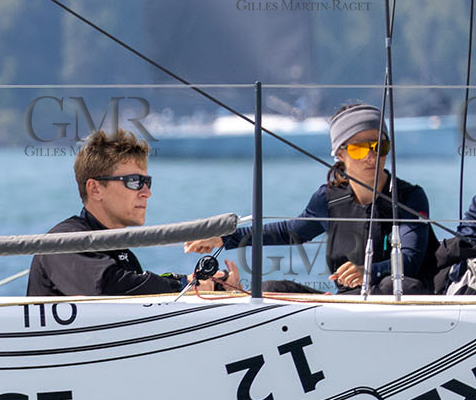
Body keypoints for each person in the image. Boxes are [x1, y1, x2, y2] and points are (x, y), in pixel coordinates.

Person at [186, 103, 432, 294]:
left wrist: (368, 271)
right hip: (349, 303)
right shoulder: (329, 198)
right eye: (359, 148)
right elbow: (290, 231)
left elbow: (409, 260)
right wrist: (224, 237)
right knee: (270, 288)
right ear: (340, 154)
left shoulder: (410, 197)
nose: (371, 157)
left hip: (402, 299)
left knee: (391, 284)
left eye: (380, 147)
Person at [28, 129, 235, 297]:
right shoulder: (63, 241)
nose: (147, 193)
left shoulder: (121, 255)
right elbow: (106, 287)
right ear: (95, 189)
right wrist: (184, 285)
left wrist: (207, 284)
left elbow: (135, 284)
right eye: (135, 182)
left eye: (147, 182)